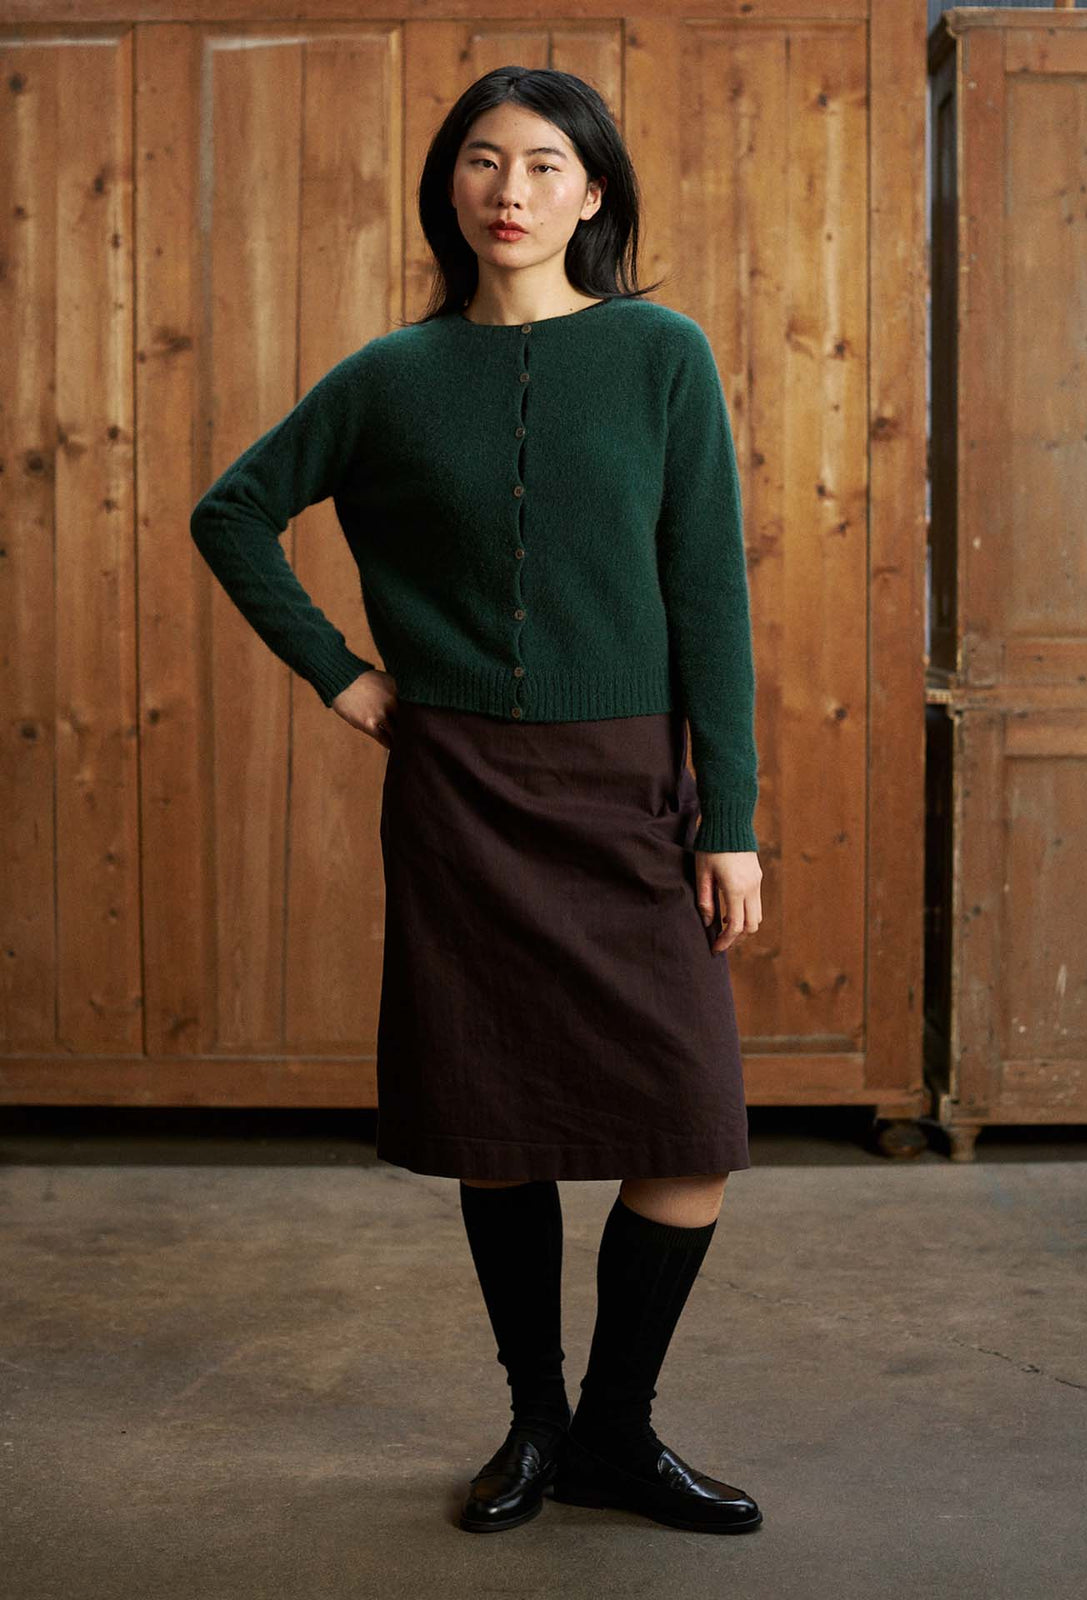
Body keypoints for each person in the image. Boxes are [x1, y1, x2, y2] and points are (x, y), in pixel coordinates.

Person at [190, 64, 764, 1536]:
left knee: (688, 1124)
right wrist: (345, 676)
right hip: (460, 795)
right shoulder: (393, 374)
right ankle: (535, 1424)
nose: (510, 190)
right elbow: (233, 510)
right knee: (495, 1120)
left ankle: (618, 1436)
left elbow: (708, 595)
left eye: (546, 165)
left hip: (632, 784)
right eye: (482, 163)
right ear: (452, 189)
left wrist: (733, 818)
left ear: (594, 194)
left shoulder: (661, 353)